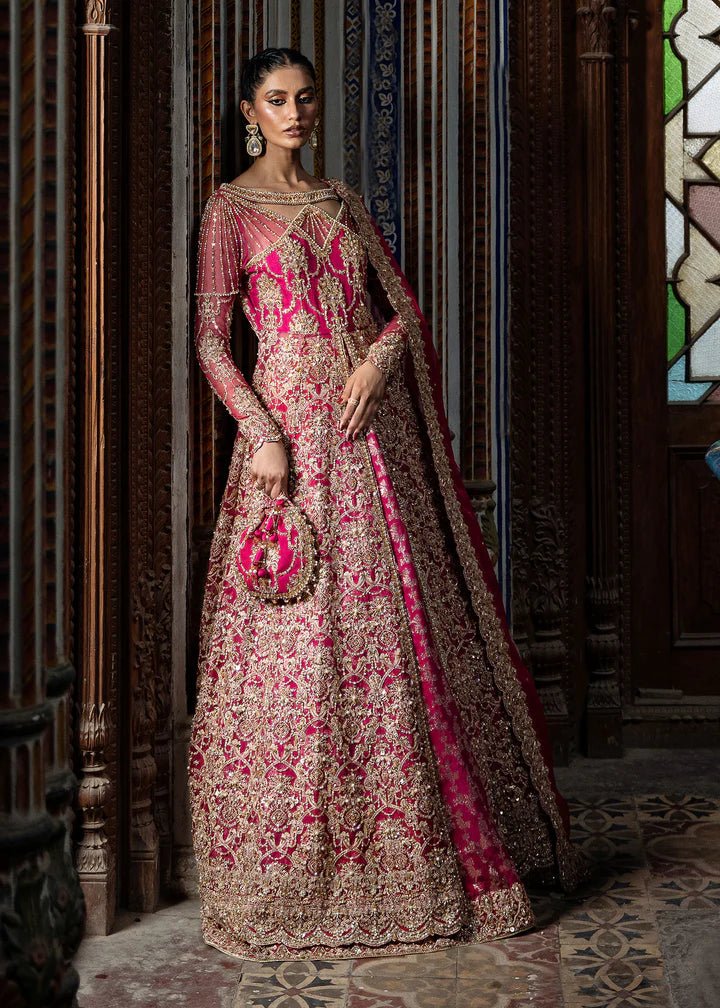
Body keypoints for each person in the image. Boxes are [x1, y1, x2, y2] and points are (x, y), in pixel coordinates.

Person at [188, 47, 586, 962]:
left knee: (391, 632)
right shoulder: (231, 211)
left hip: (371, 438)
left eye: (305, 98)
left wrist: (375, 358)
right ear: (250, 110)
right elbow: (211, 344)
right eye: (276, 100)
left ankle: (422, 856)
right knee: (304, 645)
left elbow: (402, 309)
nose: (295, 113)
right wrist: (265, 435)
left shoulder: (341, 204)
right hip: (289, 440)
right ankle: (300, 876)